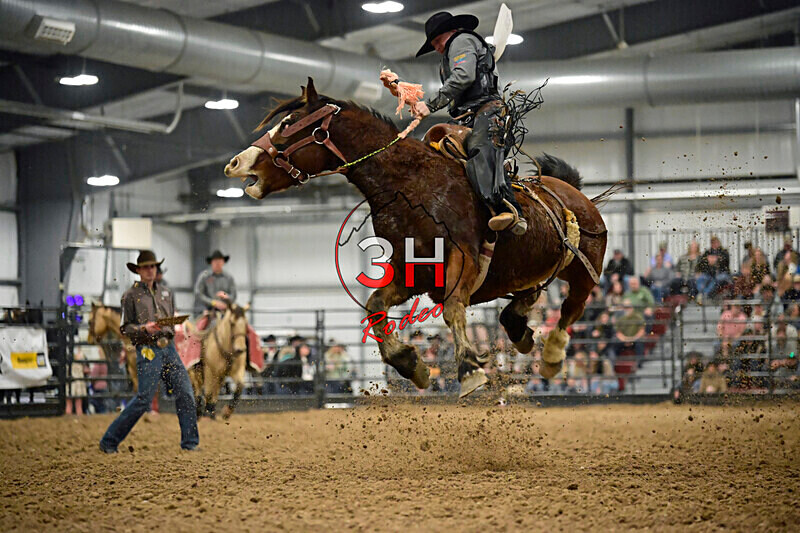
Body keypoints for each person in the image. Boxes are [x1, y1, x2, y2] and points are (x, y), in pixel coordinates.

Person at [411, 11, 527, 235]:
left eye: (437, 40)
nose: (436, 47)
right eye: (433, 43)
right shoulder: (456, 49)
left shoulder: (462, 40)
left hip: (488, 110)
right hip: (468, 115)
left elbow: (464, 76)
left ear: (451, 31)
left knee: (480, 148)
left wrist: (431, 104)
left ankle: (507, 208)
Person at [99, 250, 198, 453]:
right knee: (144, 399)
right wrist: (144, 328)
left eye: (153, 266)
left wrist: (168, 327)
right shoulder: (130, 296)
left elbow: (170, 320)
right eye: (146, 267)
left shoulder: (167, 294)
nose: (150, 270)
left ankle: (190, 443)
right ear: (138, 270)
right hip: (148, 349)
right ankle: (109, 441)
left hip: (168, 347)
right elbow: (125, 328)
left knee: (186, 392)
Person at [194, 250, 237, 317]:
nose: (217, 263)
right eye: (215, 261)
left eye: (219, 261)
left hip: (227, 311)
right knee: (200, 326)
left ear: (223, 262)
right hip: (208, 310)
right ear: (211, 262)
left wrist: (225, 295)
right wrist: (213, 302)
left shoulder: (229, 277)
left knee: (242, 323)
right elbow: (198, 294)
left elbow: (233, 295)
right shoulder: (204, 276)